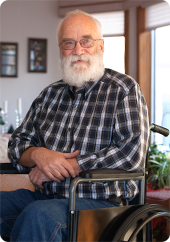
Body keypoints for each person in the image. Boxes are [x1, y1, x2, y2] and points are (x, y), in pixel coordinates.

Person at [0, 9, 149, 242]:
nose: (78, 50)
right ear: (61, 49)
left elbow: (131, 153)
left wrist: (69, 164)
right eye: (69, 43)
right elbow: (17, 143)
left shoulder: (123, 89)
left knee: (39, 216)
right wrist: (39, 155)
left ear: (101, 46)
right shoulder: (49, 95)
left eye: (85, 41)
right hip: (47, 199)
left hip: (101, 205)